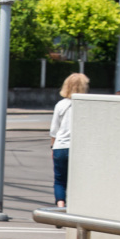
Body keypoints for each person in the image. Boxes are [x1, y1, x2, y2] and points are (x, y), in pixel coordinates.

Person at [49, 72, 88, 209]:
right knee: (77, 180)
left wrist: (52, 147)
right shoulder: (86, 105)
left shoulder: (60, 105)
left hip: (60, 147)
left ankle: (61, 206)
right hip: (78, 148)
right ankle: (75, 207)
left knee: (59, 180)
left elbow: (54, 129)